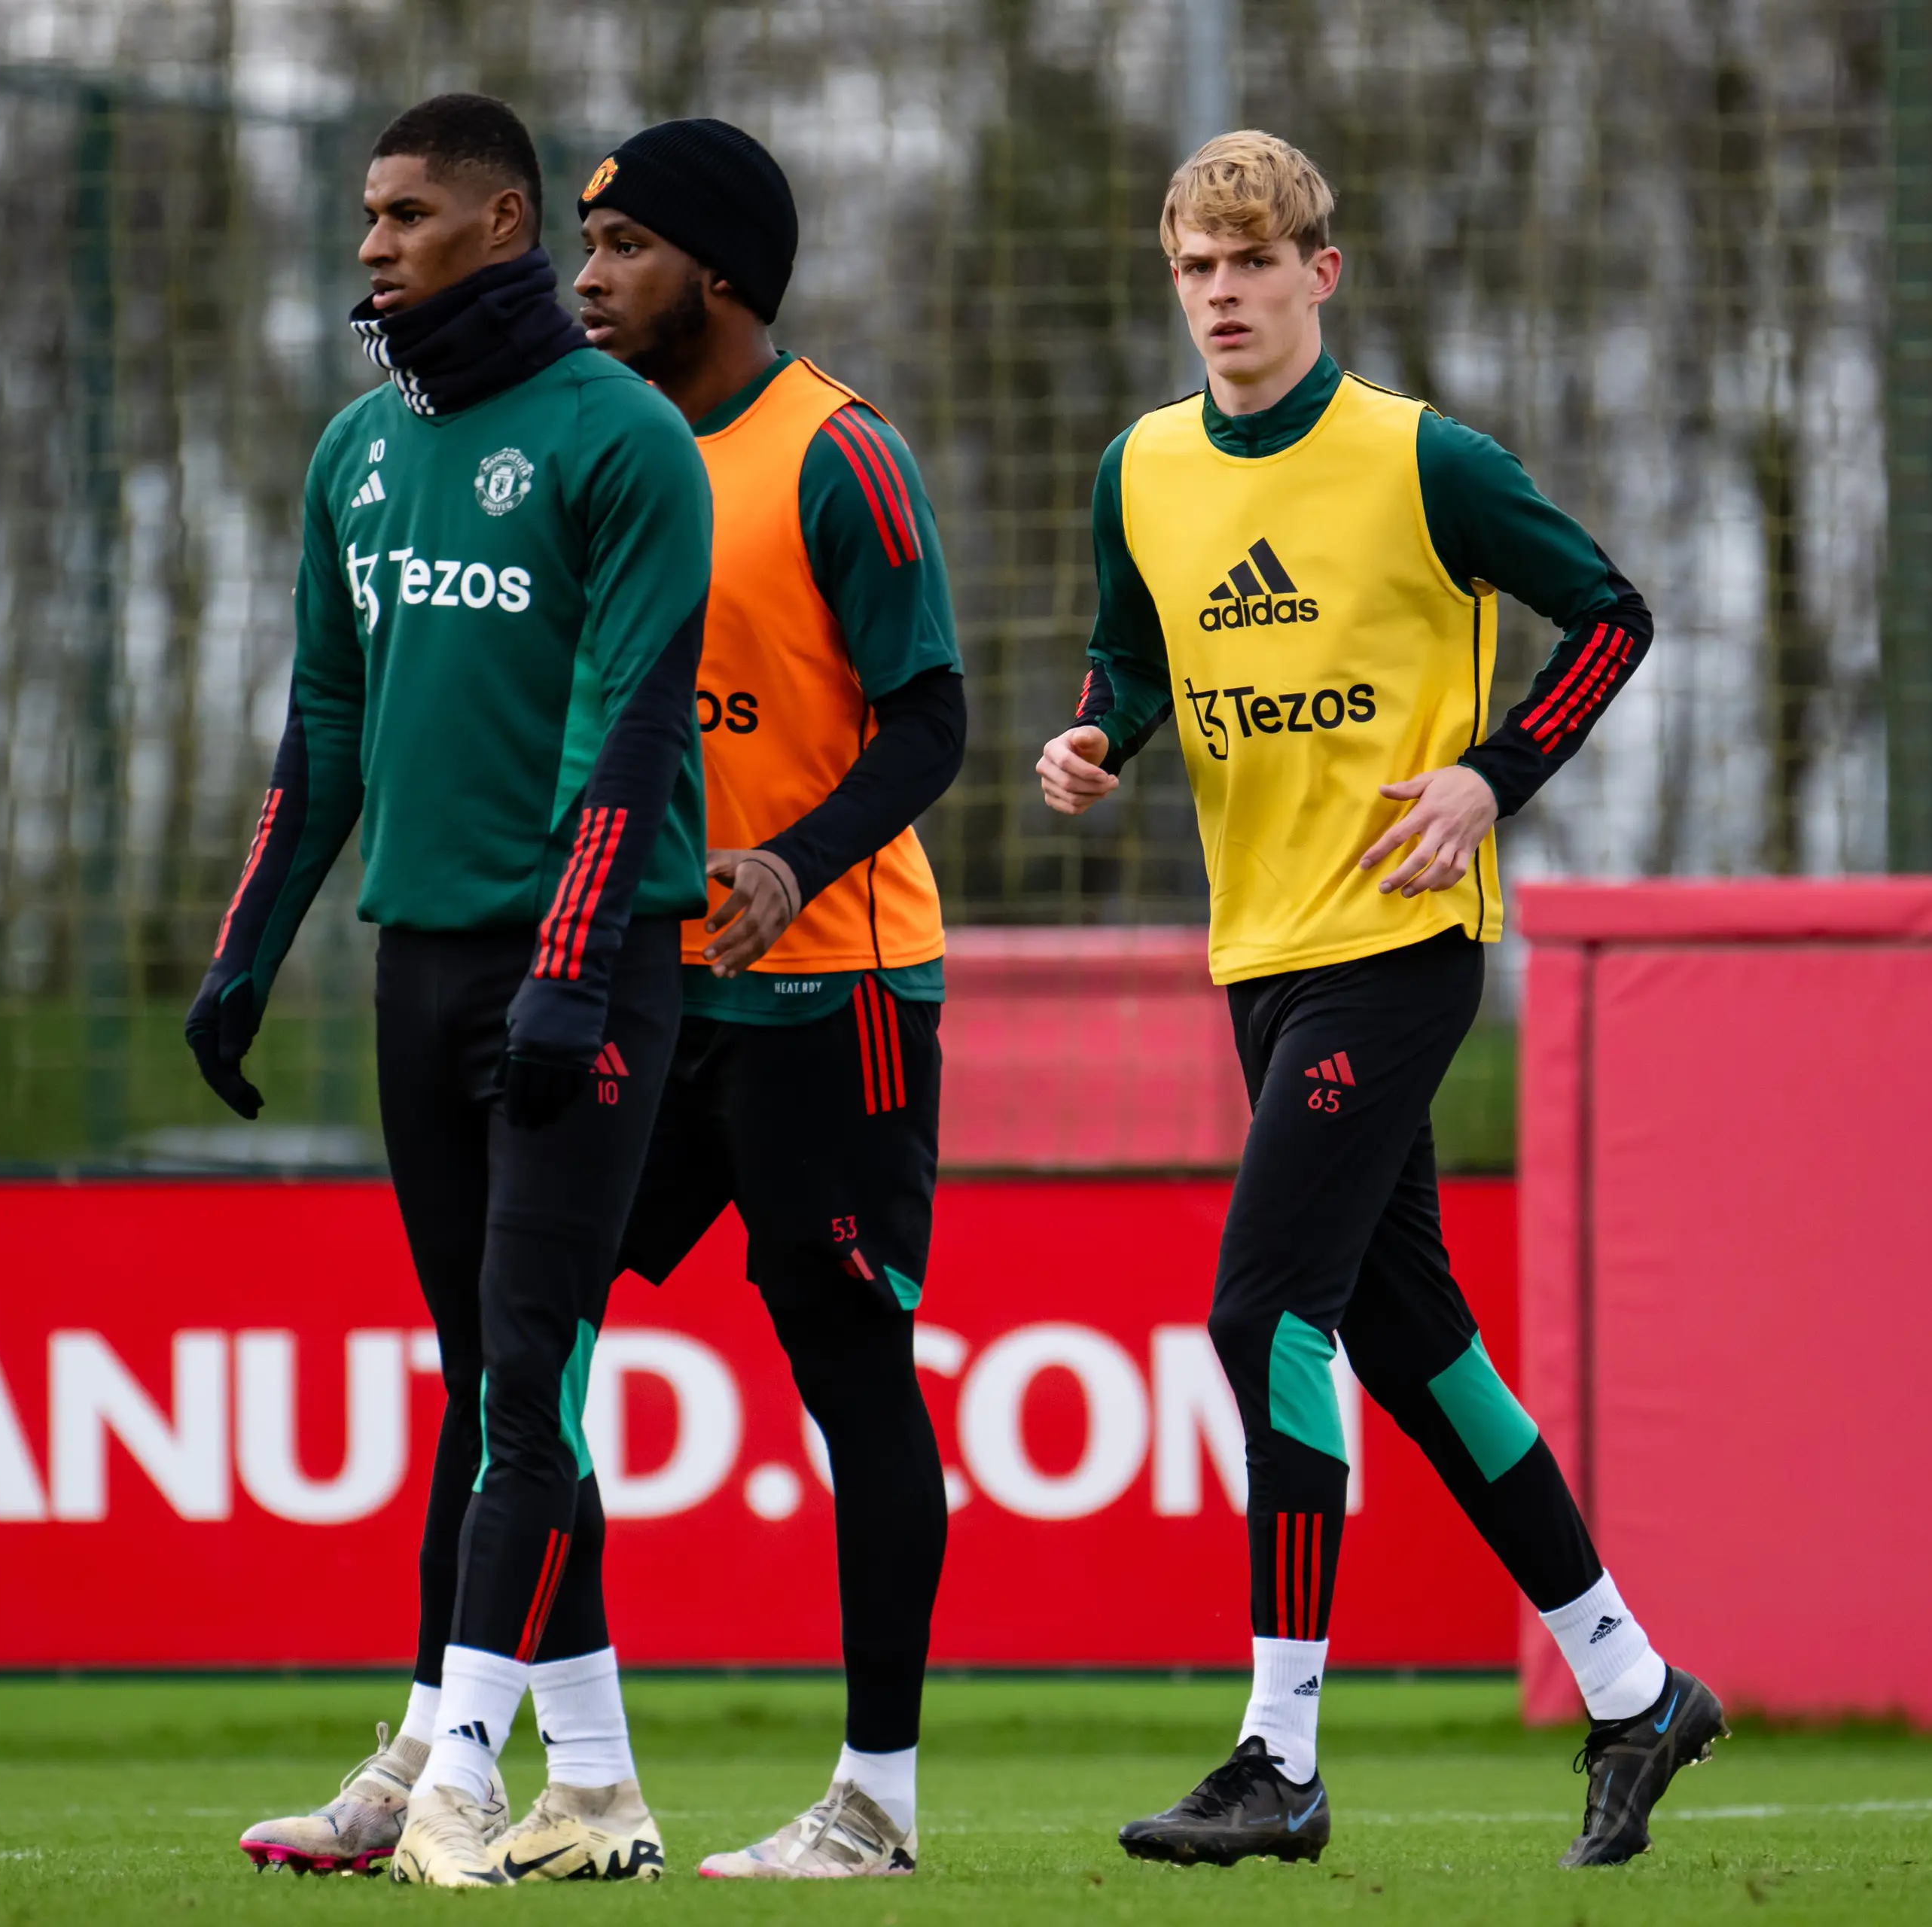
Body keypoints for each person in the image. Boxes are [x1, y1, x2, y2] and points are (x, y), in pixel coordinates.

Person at [1037, 130, 1720, 1871]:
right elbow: (1135, 651)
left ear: (1318, 275)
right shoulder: (1140, 468)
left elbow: (1614, 618)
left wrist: (1494, 775)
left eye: (1254, 263)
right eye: (1198, 267)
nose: (1223, 295)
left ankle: (1280, 1751)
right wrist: (1101, 732)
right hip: (1258, 958)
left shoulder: (1427, 459)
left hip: (1401, 948)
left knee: (1263, 1310)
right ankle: (1636, 1686)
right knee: (1417, 1344)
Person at [196, 92, 709, 1886]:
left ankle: (450, 1769)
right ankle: (597, 1783)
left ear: (501, 223)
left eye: (407, 212)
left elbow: (631, 729)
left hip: (589, 964)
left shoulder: (627, 438)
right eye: (366, 212)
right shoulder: (353, 449)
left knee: (527, 1370)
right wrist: (247, 949)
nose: (372, 242)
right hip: (417, 965)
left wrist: (570, 964)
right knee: (489, 1384)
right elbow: (324, 722)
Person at [568, 120, 964, 1880]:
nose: (587, 277)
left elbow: (934, 717)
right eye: (586, 242)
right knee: (522, 1335)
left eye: (625, 246)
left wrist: (795, 862)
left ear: (719, 272)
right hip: (649, 991)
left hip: (836, 992)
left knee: (854, 1374)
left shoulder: (838, 452)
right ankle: (539, 1765)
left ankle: (875, 1801)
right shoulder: (599, 448)